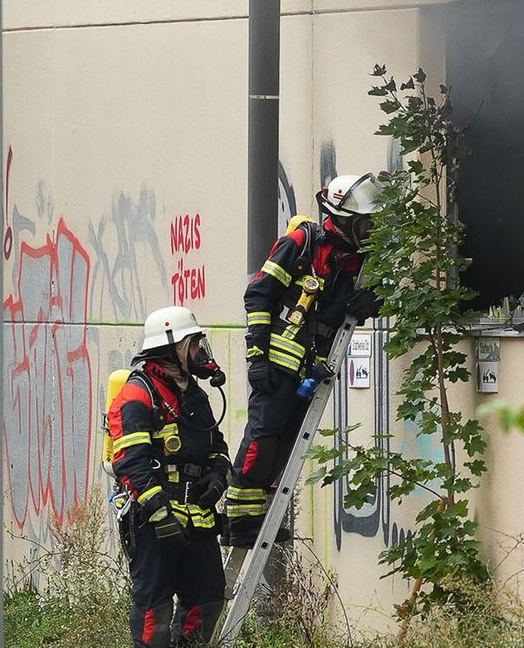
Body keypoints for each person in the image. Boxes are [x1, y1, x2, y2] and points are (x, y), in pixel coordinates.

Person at [224, 173, 383, 548]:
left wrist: (373, 302)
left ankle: (260, 516)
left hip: (314, 368)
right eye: (365, 222)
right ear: (342, 218)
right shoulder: (303, 242)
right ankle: (240, 519)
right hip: (278, 364)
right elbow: (259, 295)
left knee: (287, 445)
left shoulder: (361, 259)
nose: (370, 229)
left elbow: (374, 299)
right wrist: (256, 356)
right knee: (263, 438)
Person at [108, 306, 232, 648]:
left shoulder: (194, 393)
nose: (199, 353)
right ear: (171, 347)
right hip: (153, 522)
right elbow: (131, 464)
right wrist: (160, 515)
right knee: (155, 613)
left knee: (208, 602)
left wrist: (219, 476)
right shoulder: (138, 394)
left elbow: (217, 446)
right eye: (193, 344)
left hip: (197, 518)